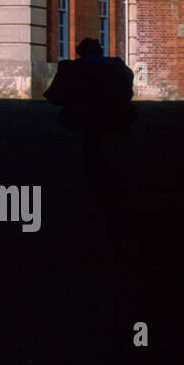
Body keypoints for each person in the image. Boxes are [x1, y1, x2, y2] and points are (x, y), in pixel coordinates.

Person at [44, 37, 135, 234]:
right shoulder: (117, 64)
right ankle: (104, 174)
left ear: (80, 52)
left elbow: (55, 95)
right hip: (112, 112)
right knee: (99, 142)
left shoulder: (73, 67)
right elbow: (127, 88)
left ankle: (94, 174)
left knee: (90, 142)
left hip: (85, 113)